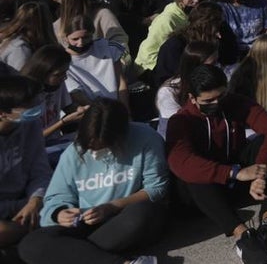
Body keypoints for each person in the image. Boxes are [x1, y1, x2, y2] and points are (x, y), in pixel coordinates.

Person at [18, 99, 167, 264]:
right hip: (86, 223)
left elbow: (156, 189)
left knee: (141, 214)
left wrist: (111, 207)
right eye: (89, 146)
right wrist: (59, 213)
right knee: (30, 244)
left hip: (123, 216)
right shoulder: (72, 153)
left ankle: (74, 254)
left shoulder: (146, 138)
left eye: (103, 146)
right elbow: (56, 197)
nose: (94, 151)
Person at [165, 64, 267, 264]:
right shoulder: (181, 121)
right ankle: (242, 234)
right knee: (192, 173)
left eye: (220, 96)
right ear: (192, 98)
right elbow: (181, 162)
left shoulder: (234, 103)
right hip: (206, 194)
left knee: (263, 147)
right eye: (208, 100)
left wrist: (260, 174)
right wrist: (235, 173)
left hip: (238, 183)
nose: (216, 103)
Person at [0, 76, 52, 251]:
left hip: (28, 204)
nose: (36, 109)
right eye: (28, 106)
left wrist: (35, 200)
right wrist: (21, 207)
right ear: (3, 113)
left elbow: (40, 170)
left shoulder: (30, 125)